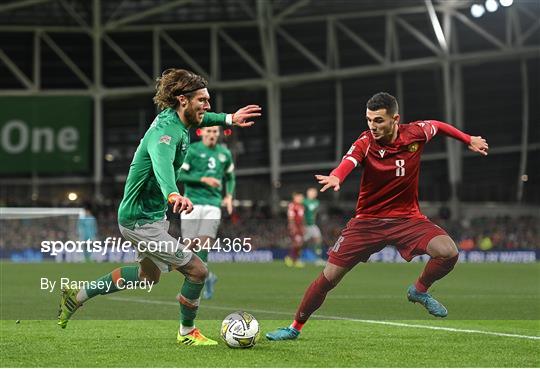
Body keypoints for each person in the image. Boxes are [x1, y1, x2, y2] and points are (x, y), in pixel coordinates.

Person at [57, 68, 261, 347]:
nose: (208, 106)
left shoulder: (178, 119)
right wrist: (173, 194)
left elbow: (203, 118)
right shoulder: (165, 133)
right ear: (183, 100)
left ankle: (77, 295)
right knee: (198, 271)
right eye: (202, 100)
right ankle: (187, 332)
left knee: (146, 277)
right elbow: (161, 164)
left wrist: (230, 118)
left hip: (148, 216)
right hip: (139, 220)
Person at [266, 92, 488, 341]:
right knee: (329, 278)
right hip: (367, 223)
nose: (372, 126)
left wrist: (468, 139)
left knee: (449, 251)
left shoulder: (415, 133)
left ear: (395, 119)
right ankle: (294, 327)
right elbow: (350, 159)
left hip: (407, 220)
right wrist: (337, 176)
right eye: (369, 120)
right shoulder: (365, 142)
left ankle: (419, 290)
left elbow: (438, 126)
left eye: (379, 121)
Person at [178, 126, 236, 299]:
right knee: (189, 249)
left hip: (212, 204)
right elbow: (179, 175)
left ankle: (193, 290)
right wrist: (202, 179)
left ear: (218, 134)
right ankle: (208, 277)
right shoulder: (193, 150)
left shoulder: (224, 153)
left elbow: (230, 177)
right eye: (208, 131)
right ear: (201, 132)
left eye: (215, 132)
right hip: (191, 203)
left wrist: (229, 196)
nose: (212, 134)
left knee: (204, 243)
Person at [303, 187, 324, 265]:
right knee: (302, 242)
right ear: (308, 193)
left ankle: (318, 259)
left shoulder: (316, 202)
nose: (314, 194)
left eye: (315, 192)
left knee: (318, 239)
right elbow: (302, 213)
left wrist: (313, 221)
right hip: (305, 225)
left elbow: (314, 213)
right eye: (312, 192)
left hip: (312, 225)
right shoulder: (304, 201)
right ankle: (296, 257)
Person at [285, 192, 305, 268]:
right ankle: (290, 258)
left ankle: (294, 259)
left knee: (299, 244)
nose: (301, 198)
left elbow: (302, 218)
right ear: (295, 197)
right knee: (297, 243)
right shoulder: (292, 205)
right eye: (300, 197)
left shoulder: (301, 206)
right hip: (295, 226)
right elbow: (290, 217)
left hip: (300, 227)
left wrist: (303, 227)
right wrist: (292, 226)